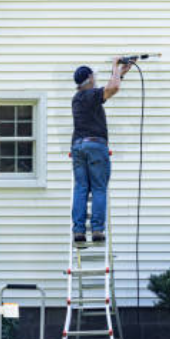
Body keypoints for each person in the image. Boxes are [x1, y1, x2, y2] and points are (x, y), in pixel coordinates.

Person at [70, 57, 132, 243]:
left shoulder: (77, 98)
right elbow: (112, 89)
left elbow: (110, 86)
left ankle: (79, 231)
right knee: (98, 187)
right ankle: (97, 230)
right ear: (89, 79)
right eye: (94, 76)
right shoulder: (91, 95)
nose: (96, 79)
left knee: (81, 188)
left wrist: (120, 73)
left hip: (78, 146)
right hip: (95, 146)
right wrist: (114, 65)